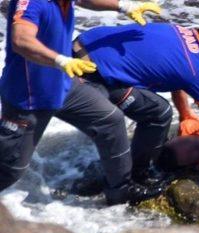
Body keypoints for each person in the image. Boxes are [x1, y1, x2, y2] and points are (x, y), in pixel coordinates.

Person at [0, 0, 163, 204]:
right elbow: (21, 40)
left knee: (110, 120)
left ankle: (120, 191)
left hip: (64, 85)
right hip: (29, 97)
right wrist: (60, 60)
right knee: (10, 170)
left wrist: (124, 5)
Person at [73, 19, 199, 187]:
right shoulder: (198, 70)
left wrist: (185, 114)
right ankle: (135, 176)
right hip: (90, 72)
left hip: (81, 45)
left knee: (147, 100)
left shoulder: (178, 30)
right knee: (159, 113)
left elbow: (179, 78)